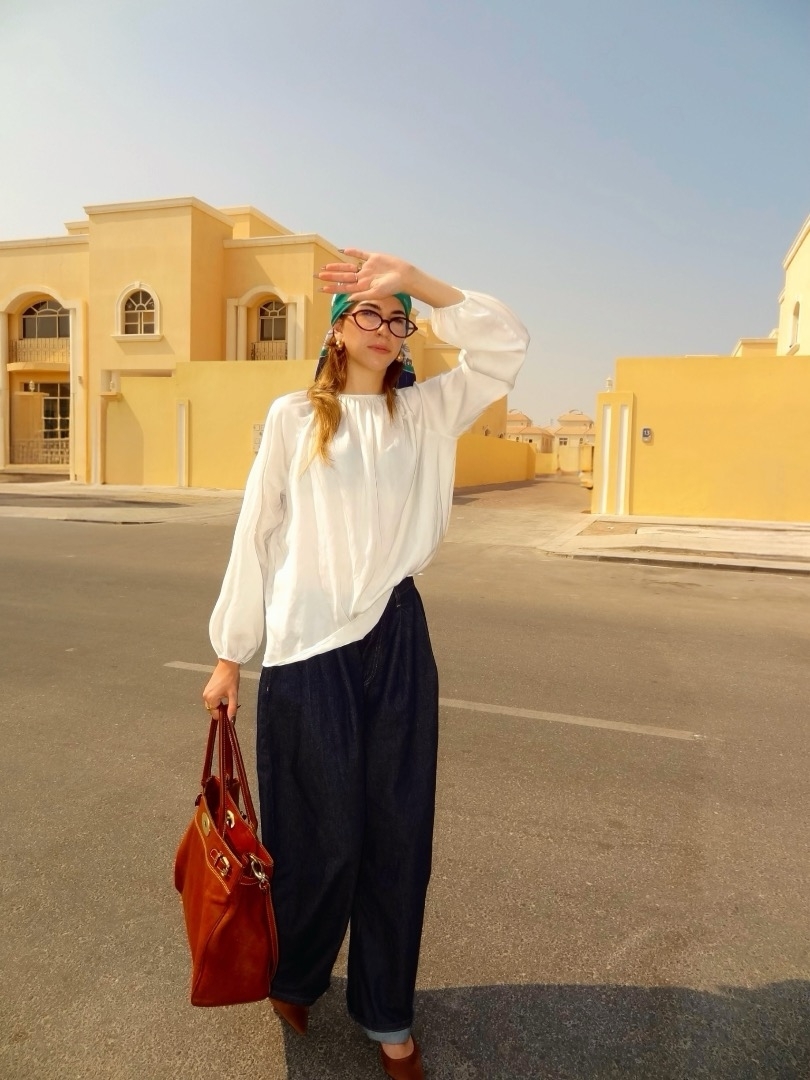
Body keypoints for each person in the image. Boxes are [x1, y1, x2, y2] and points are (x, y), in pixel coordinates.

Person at [202, 249, 529, 1080]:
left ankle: (388, 1014)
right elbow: (257, 533)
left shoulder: (425, 413)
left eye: (398, 319)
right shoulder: (292, 418)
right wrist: (230, 654)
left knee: (396, 832)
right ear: (337, 333)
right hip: (305, 647)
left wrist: (414, 279)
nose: (385, 328)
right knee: (316, 835)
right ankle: (296, 976)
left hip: (394, 638)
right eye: (368, 315)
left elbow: (504, 345)